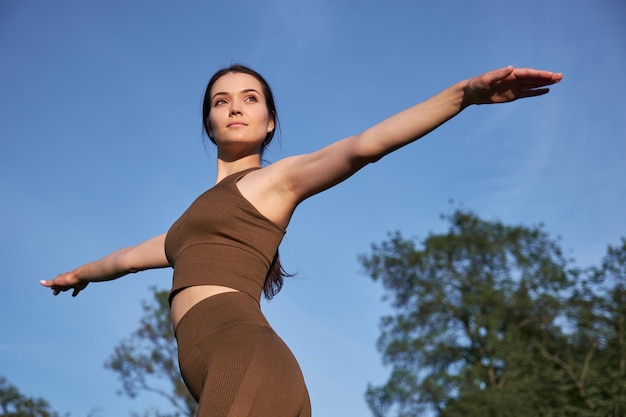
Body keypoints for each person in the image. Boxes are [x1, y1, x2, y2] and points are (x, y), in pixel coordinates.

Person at [40, 64, 562, 416]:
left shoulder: (275, 181)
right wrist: (78, 275)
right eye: (221, 101)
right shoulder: (186, 229)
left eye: (250, 99)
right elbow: (126, 259)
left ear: (270, 123)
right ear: (209, 122)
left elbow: (365, 146)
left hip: (245, 357)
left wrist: (462, 96)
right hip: (218, 370)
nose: (235, 107)